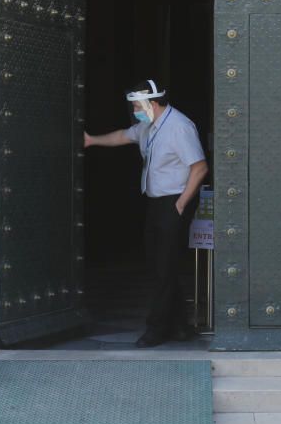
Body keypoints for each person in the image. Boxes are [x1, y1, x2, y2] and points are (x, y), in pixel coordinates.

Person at [84, 80, 208, 347]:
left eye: (138, 106)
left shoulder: (179, 127)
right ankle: (181, 327)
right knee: (159, 264)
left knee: (164, 267)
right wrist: (91, 140)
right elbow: (122, 136)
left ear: (153, 103)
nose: (135, 111)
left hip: (173, 202)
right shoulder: (149, 125)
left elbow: (199, 167)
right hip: (156, 202)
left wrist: (181, 204)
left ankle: (157, 329)